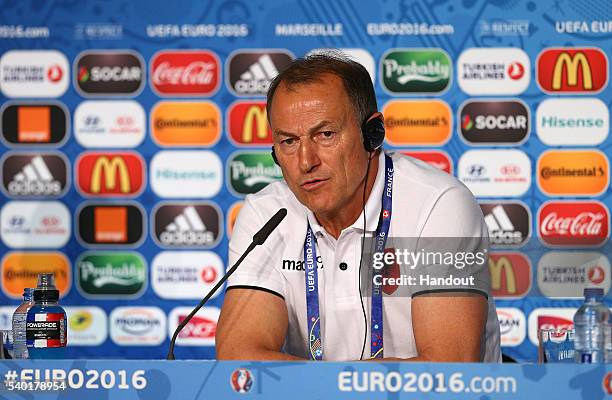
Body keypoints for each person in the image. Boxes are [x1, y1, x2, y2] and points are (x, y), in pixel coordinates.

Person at [216, 52, 501, 362]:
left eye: (325, 135)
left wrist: (327, 388)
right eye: (288, 141)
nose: (305, 161)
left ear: (372, 133)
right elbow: (239, 357)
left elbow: (449, 367)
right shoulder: (266, 214)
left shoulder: (439, 204)